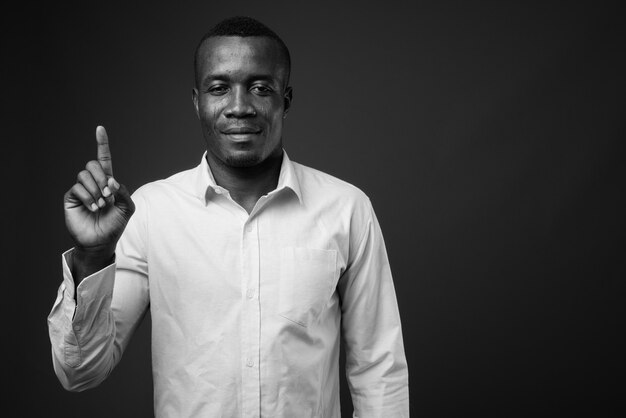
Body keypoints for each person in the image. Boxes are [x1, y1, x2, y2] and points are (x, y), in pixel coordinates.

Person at [48, 16, 409, 417]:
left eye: (260, 88)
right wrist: (92, 255)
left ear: (285, 100)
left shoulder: (346, 209)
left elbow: (379, 370)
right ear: (197, 100)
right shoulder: (151, 212)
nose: (239, 107)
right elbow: (79, 371)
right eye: (219, 88)